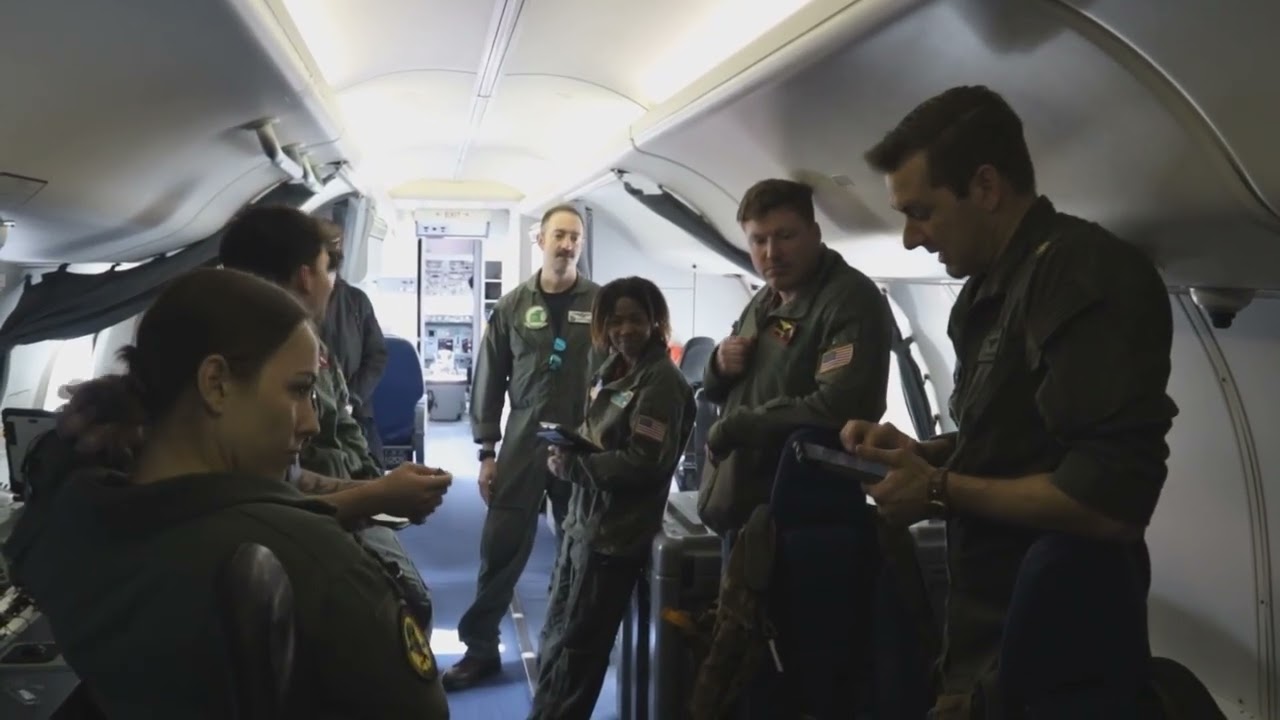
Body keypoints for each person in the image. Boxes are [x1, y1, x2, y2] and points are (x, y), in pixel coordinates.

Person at [847, 85, 1178, 718]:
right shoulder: (986, 294)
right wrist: (920, 454)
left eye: (921, 211)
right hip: (986, 647)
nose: (911, 238)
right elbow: (1013, 442)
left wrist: (938, 489)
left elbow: (1107, 503)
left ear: (987, 187)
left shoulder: (1084, 276)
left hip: (1056, 664)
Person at [1, 268, 450, 718]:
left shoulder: (67, 517)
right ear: (215, 383)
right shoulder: (313, 559)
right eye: (299, 389)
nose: (311, 422)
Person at [219, 205, 444, 634]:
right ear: (306, 276)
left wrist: (378, 490)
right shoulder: (246, 364)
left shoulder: (309, 345)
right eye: (326, 269)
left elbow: (298, 474)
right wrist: (375, 496)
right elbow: (270, 503)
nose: (307, 424)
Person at [444, 204, 601, 690]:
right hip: (524, 441)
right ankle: (481, 648)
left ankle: (576, 643)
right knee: (501, 546)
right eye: (559, 235)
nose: (567, 244)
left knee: (583, 546)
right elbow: (488, 381)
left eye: (575, 236)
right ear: (541, 240)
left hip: (583, 441)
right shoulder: (512, 306)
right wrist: (486, 452)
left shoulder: (602, 304)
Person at [529, 277, 695, 720]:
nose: (625, 330)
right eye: (615, 320)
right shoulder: (613, 369)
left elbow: (644, 464)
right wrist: (568, 449)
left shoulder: (660, 383)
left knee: (579, 651)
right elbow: (599, 438)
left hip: (612, 539)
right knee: (556, 637)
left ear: (654, 321)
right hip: (582, 527)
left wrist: (575, 468)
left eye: (635, 320)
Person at [698, 178, 894, 547]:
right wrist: (718, 365)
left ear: (815, 233)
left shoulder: (848, 300)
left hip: (803, 520)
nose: (771, 252)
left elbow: (838, 407)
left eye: (785, 236)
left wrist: (736, 427)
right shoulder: (765, 300)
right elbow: (722, 386)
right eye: (758, 240)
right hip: (746, 509)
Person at [318, 221, 389, 462]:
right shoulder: (296, 303)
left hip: (357, 411)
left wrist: (352, 399)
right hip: (317, 414)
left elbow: (376, 356)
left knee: (370, 466)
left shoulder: (355, 301)